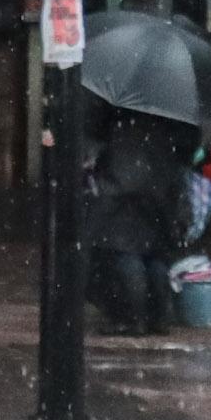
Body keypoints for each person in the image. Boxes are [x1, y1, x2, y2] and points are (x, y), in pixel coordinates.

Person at [85, 98, 198, 335]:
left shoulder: (120, 103)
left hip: (124, 182)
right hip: (160, 185)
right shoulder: (172, 104)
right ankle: (158, 316)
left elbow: (97, 131)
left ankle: (132, 318)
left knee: (125, 250)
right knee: (155, 252)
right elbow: (188, 145)